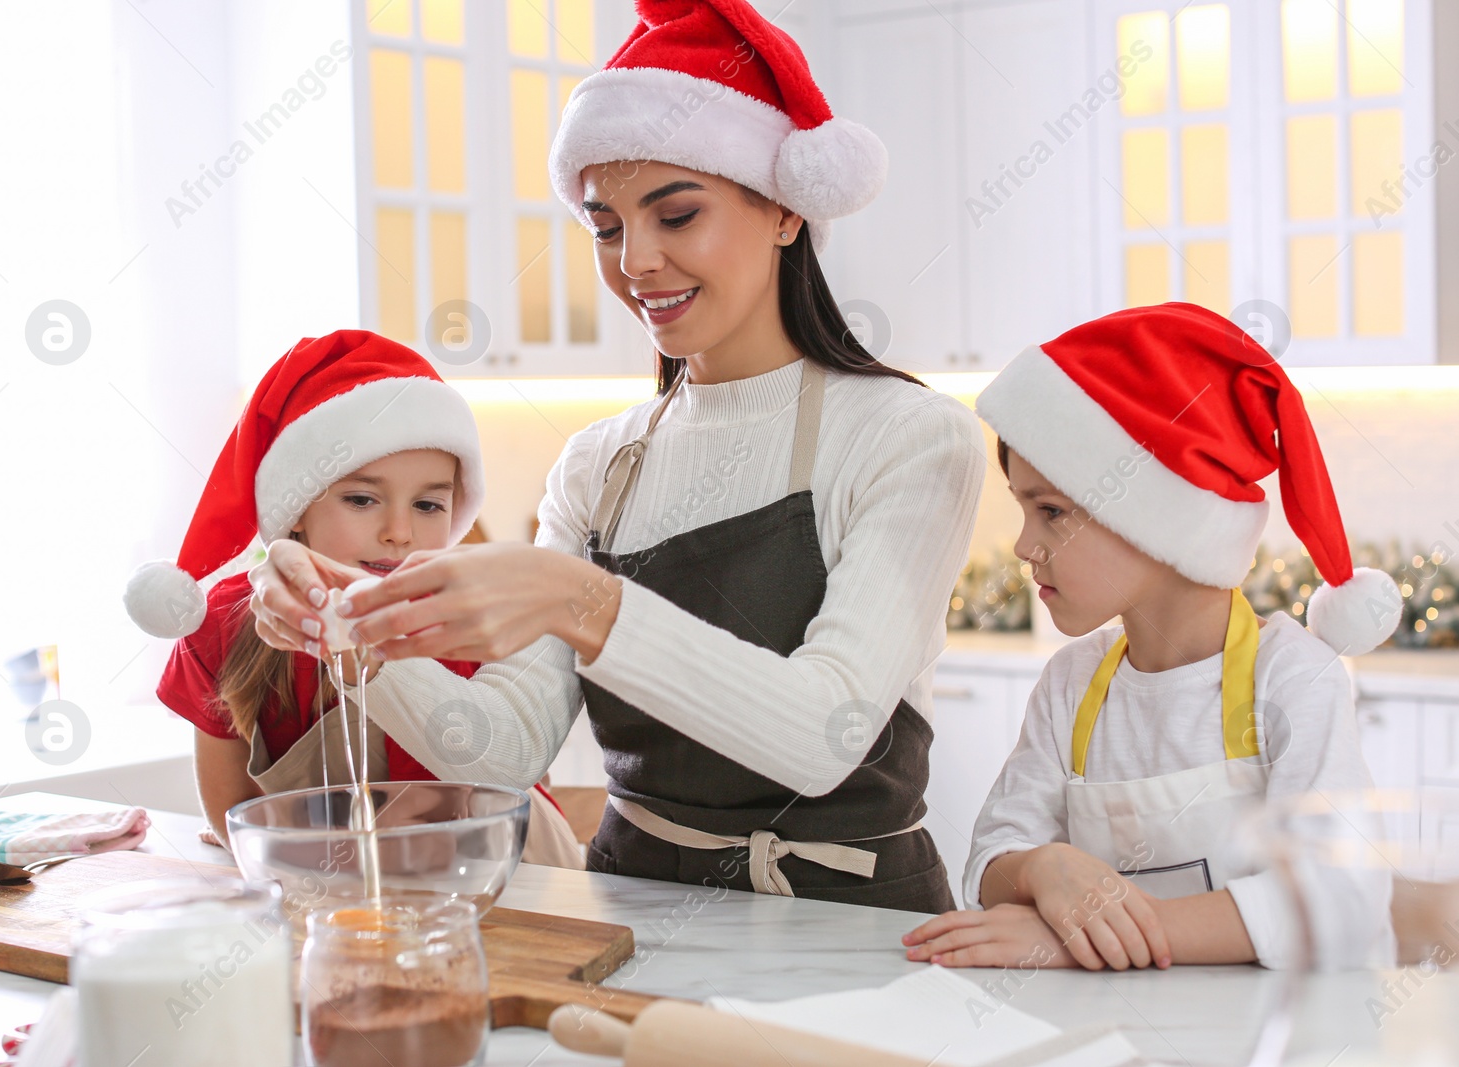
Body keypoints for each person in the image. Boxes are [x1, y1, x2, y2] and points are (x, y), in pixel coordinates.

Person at [245, 0, 984, 911]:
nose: (636, 260)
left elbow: (820, 735)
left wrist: (577, 598)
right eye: (606, 226)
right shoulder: (598, 465)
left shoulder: (910, 437)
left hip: (850, 919)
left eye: (677, 215)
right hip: (637, 909)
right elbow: (505, 744)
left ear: (788, 211)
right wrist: (348, 630)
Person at [902, 302, 1401, 969]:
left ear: (1160, 522)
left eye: (1051, 512)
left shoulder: (1292, 678)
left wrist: (1081, 937)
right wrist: (1042, 868)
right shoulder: (1072, 684)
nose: (1026, 545)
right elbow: (993, 855)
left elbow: (1337, 897)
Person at [123, 330, 582, 867]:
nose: (398, 532)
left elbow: (517, 774)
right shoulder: (222, 628)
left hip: (501, 878)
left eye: (428, 506)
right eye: (362, 499)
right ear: (295, 507)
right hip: (337, 893)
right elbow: (233, 813)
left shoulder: (477, 617)